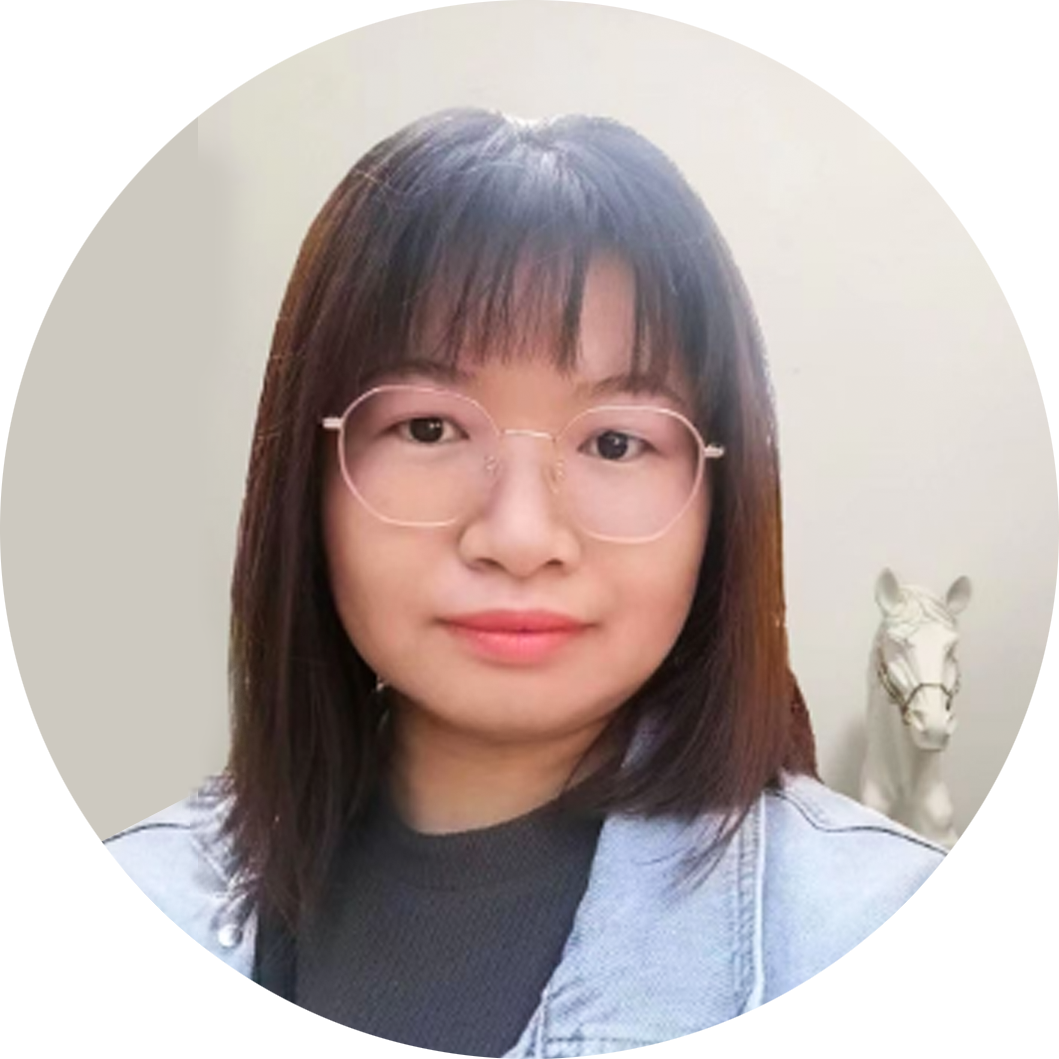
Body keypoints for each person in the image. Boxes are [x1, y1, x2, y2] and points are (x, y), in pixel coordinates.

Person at [80, 107, 1059, 1059]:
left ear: (719, 505)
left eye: (617, 442)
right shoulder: (116, 910)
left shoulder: (903, 958)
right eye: (428, 427)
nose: (519, 536)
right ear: (310, 477)